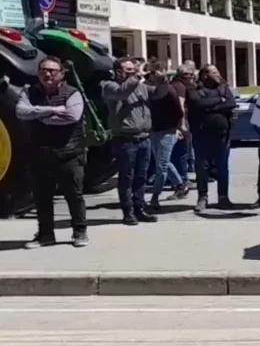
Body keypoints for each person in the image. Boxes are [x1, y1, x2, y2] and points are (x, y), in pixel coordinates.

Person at [16, 57, 89, 248]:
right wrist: (52, 110)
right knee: (42, 198)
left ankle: (80, 232)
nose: (47, 74)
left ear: (62, 74)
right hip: (39, 154)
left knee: (74, 195)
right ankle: (45, 235)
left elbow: (72, 116)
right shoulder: (28, 91)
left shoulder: (73, 93)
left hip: (69, 154)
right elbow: (21, 111)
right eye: (43, 70)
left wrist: (39, 116)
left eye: (52, 71)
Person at [102, 56, 158, 226]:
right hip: (125, 139)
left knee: (141, 176)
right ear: (118, 72)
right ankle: (128, 211)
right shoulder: (109, 86)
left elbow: (158, 93)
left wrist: (161, 80)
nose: (132, 73)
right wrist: (138, 75)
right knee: (127, 177)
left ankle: (139, 208)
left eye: (134, 70)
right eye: (129, 71)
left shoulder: (140, 86)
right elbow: (122, 92)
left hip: (144, 138)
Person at [187, 64, 237, 212]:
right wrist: (220, 101)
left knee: (222, 166)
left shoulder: (223, 87)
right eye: (214, 72)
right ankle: (202, 197)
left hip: (222, 134)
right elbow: (197, 103)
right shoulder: (194, 89)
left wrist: (211, 108)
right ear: (205, 75)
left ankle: (223, 197)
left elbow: (231, 103)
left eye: (217, 71)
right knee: (202, 167)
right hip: (201, 134)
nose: (218, 74)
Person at [146, 61, 189, 210]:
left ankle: (155, 197)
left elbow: (179, 111)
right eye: (151, 73)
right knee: (163, 162)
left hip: (168, 131)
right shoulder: (151, 90)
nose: (152, 76)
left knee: (161, 166)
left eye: (155, 72)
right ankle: (180, 185)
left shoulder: (169, 90)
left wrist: (180, 127)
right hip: (154, 130)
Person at [169, 61, 196, 184]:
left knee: (177, 153)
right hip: (180, 123)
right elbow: (180, 106)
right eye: (190, 75)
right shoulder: (180, 87)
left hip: (174, 123)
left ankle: (177, 179)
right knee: (182, 153)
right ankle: (182, 179)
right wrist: (182, 125)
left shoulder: (173, 84)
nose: (192, 77)